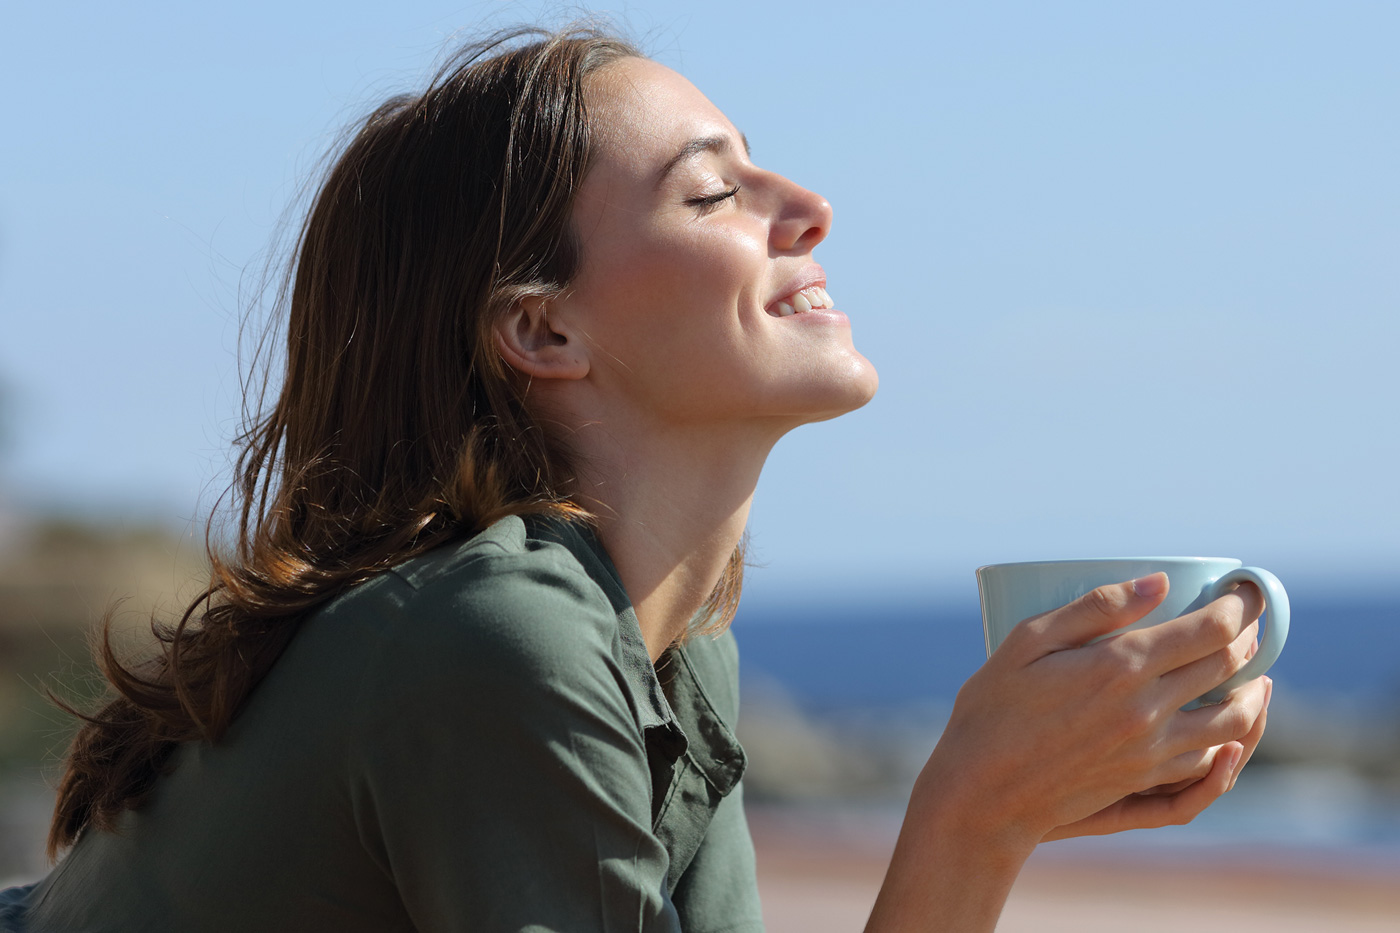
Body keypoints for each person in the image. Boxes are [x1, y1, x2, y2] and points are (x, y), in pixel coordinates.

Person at [0, 24, 1270, 933]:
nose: (808, 204)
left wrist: (1001, 813)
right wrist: (971, 819)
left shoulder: (664, 644)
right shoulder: (500, 639)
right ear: (544, 334)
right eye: (712, 189)